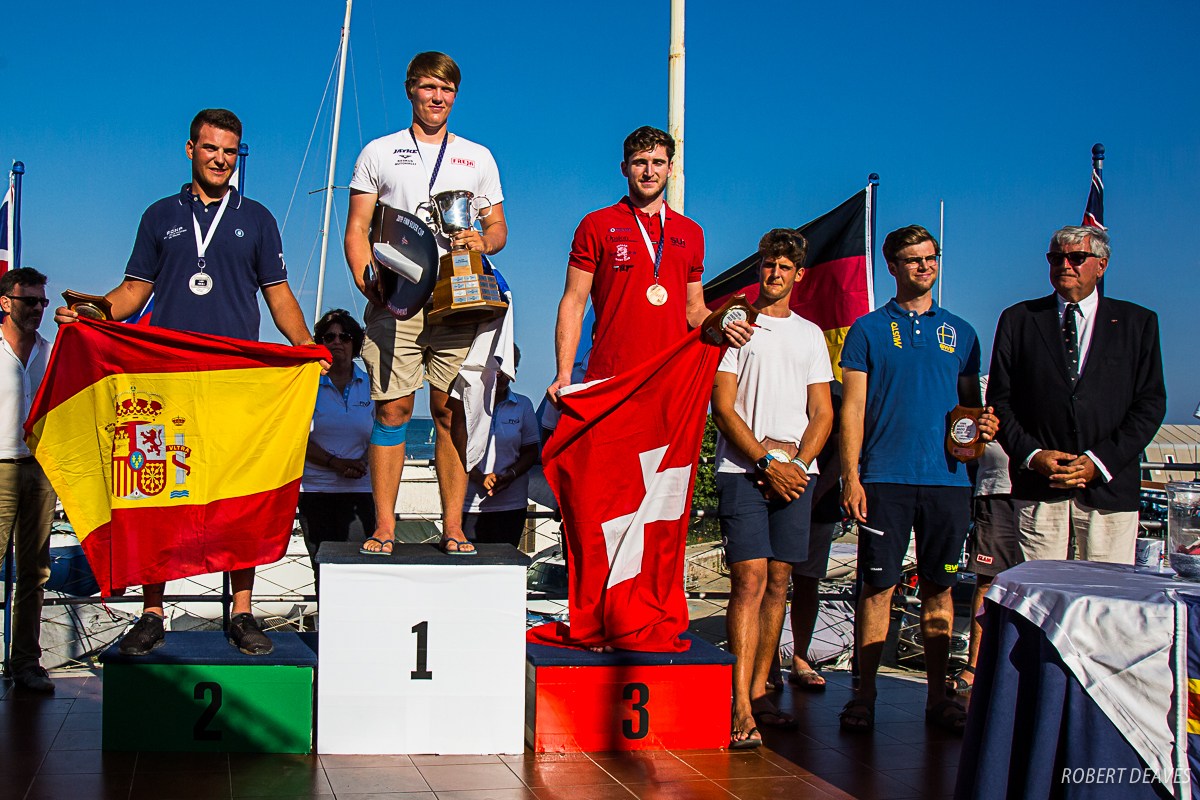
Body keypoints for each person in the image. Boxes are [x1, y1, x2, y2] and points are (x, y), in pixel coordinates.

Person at [55, 108, 319, 657]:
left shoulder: (258, 218)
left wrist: (305, 347)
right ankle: (154, 614)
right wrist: (94, 313)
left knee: (237, 495)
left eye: (231, 151)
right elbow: (133, 291)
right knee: (156, 489)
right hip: (167, 379)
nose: (221, 159)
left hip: (234, 383)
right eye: (211, 148)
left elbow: (278, 296)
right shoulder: (159, 216)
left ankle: (242, 614)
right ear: (190, 149)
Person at [344, 51, 507, 557]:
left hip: (458, 296)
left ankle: (453, 526)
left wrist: (481, 241)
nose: (437, 98)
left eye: (447, 90)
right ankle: (386, 525)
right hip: (396, 293)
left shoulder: (478, 156)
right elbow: (356, 228)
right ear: (411, 89)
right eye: (428, 87)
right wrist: (361, 275)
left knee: (450, 409)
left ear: (455, 97)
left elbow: (498, 229)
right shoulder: (379, 151)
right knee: (393, 409)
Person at [838, 224, 998, 735]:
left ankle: (937, 697)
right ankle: (863, 695)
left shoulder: (964, 333)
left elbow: (969, 412)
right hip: (884, 478)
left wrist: (985, 427)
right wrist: (851, 475)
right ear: (892, 266)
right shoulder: (866, 330)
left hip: (948, 482)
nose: (923, 267)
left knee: (940, 589)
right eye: (912, 259)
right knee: (878, 587)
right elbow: (853, 409)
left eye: (930, 258)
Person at [712, 230, 834, 749]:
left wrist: (798, 465)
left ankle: (760, 692)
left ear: (799, 273)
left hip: (795, 477)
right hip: (743, 473)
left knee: (781, 582)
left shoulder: (810, 335)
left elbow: (823, 413)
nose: (775, 274)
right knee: (749, 582)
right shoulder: (740, 327)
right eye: (767, 265)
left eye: (785, 266)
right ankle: (738, 704)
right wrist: (764, 460)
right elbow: (723, 405)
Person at [989, 226, 1165, 565]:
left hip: (1108, 490)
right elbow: (1001, 401)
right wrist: (1033, 455)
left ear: (1101, 265)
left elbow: (1150, 403)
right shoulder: (1019, 320)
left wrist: (1099, 462)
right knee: (1038, 601)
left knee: (1105, 601)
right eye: (1056, 258)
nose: (1065, 265)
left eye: (1076, 257)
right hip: (1040, 487)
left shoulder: (1137, 323)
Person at [547, 126, 751, 400]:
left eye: (657, 163)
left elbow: (693, 310)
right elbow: (574, 301)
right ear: (624, 168)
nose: (648, 172)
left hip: (671, 379)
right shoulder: (596, 224)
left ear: (670, 168)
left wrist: (725, 322)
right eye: (640, 162)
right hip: (610, 375)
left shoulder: (691, 232)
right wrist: (564, 373)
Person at [0, 268, 56, 691]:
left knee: (34, 570)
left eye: (42, 301)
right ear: (6, 303)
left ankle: (25, 663)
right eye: (29, 301)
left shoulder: (50, 350)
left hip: (38, 466)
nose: (38, 308)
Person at [951, 376, 1017, 696]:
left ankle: (1021, 667)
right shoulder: (984, 384)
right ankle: (974, 665)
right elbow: (960, 436)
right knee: (987, 581)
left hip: (1042, 496)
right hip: (995, 492)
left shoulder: (1053, 380)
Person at [300, 309, 376, 573]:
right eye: (329, 337)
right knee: (323, 569)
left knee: (361, 568)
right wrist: (335, 463)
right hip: (316, 490)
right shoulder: (306, 386)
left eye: (344, 336)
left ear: (354, 343)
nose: (336, 342)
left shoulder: (372, 386)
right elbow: (296, 437)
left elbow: (385, 432)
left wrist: (361, 462)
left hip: (362, 490)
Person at [788, 391, 843, 692]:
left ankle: (800, 657)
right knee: (765, 580)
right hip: (775, 489)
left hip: (819, 500)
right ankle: (766, 662)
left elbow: (841, 448)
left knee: (807, 582)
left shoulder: (833, 392)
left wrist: (818, 493)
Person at [463, 345, 539, 547]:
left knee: (505, 564)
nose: (500, 373)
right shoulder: (466, 402)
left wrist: (511, 475)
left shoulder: (523, 405)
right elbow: (453, 449)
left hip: (512, 503)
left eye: (508, 367)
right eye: (495, 365)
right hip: (470, 504)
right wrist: (479, 477)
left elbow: (531, 451)